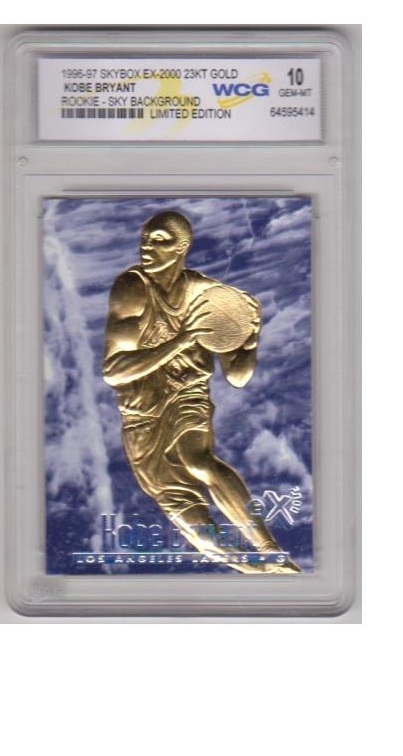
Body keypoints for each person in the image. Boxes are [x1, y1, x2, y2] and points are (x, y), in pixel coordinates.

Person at [102, 210, 300, 574]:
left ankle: (269, 549)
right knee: (194, 525)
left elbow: (237, 377)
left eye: (160, 240)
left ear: (182, 247)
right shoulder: (132, 288)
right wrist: (183, 340)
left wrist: (250, 341)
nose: (147, 246)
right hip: (142, 414)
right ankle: (262, 572)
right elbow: (115, 370)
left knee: (197, 459)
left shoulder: (212, 298)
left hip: (187, 397)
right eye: (145, 239)